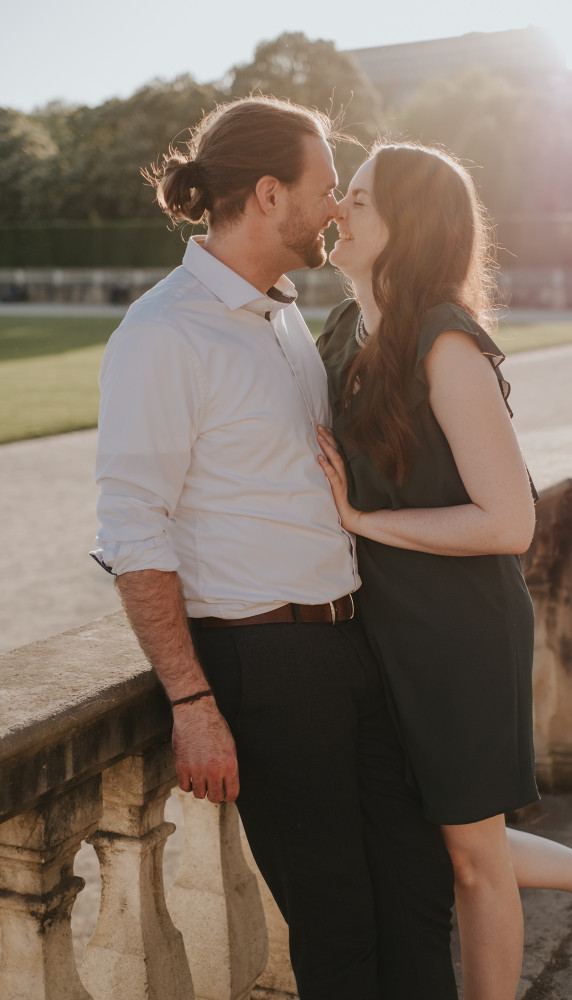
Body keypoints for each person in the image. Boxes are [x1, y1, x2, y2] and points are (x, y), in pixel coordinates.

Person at [92, 100, 459, 1000]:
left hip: (350, 644)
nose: (337, 207)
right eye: (327, 188)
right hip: (262, 663)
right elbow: (132, 525)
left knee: (417, 897)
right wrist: (191, 699)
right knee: (337, 934)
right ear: (267, 194)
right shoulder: (164, 332)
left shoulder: (286, 312)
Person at [316, 141, 572, 1000]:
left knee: (472, 863)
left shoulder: (445, 343)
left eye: (358, 199)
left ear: (409, 225)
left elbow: (509, 522)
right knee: (435, 837)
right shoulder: (340, 332)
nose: (338, 210)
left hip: (456, 634)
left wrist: (362, 520)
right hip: (382, 629)